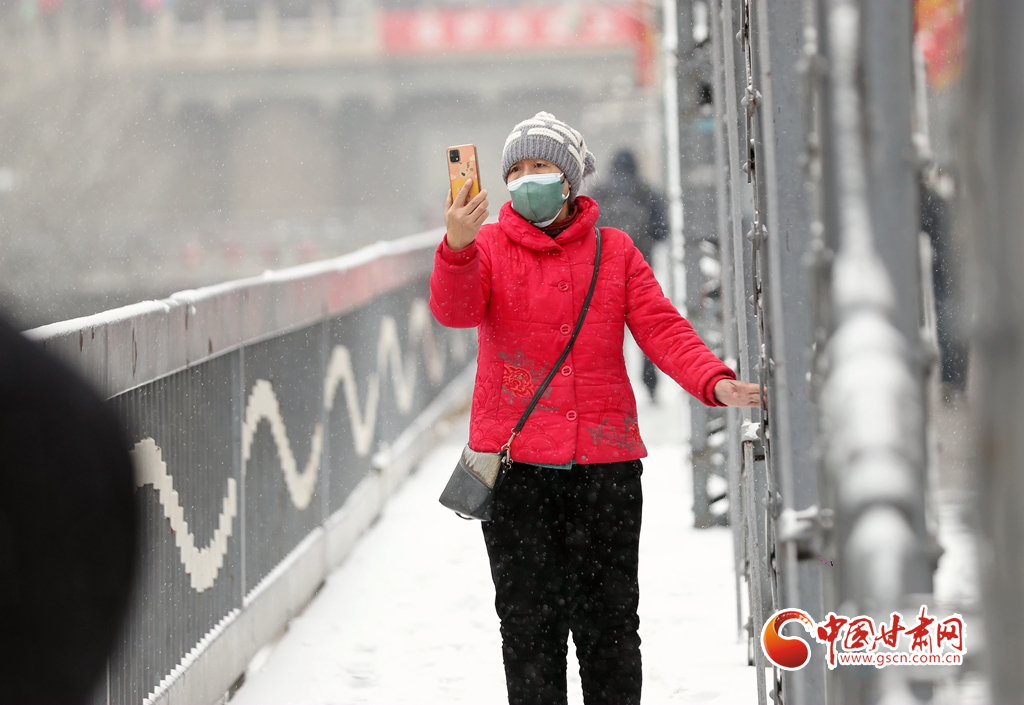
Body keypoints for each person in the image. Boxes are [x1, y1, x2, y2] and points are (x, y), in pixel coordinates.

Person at [429, 111, 759, 705]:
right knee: (529, 632)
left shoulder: (615, 250)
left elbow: (661, 328)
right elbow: (455, 313)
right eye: (517, 170)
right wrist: (456, 245)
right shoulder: (487, 247)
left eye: (541, 166)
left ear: (569, 179)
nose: (528, 180)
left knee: (609, 630)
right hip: (516, 473)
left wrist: (713, 380)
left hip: (605, 471)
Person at [590, 148, 669, 402]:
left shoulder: (599, 193)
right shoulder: (646, 191)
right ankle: (651, 385)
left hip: (603, 273)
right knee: (647, 329)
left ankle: (611, 389)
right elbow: (662, 230)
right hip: (640, 270)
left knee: (609, 334)